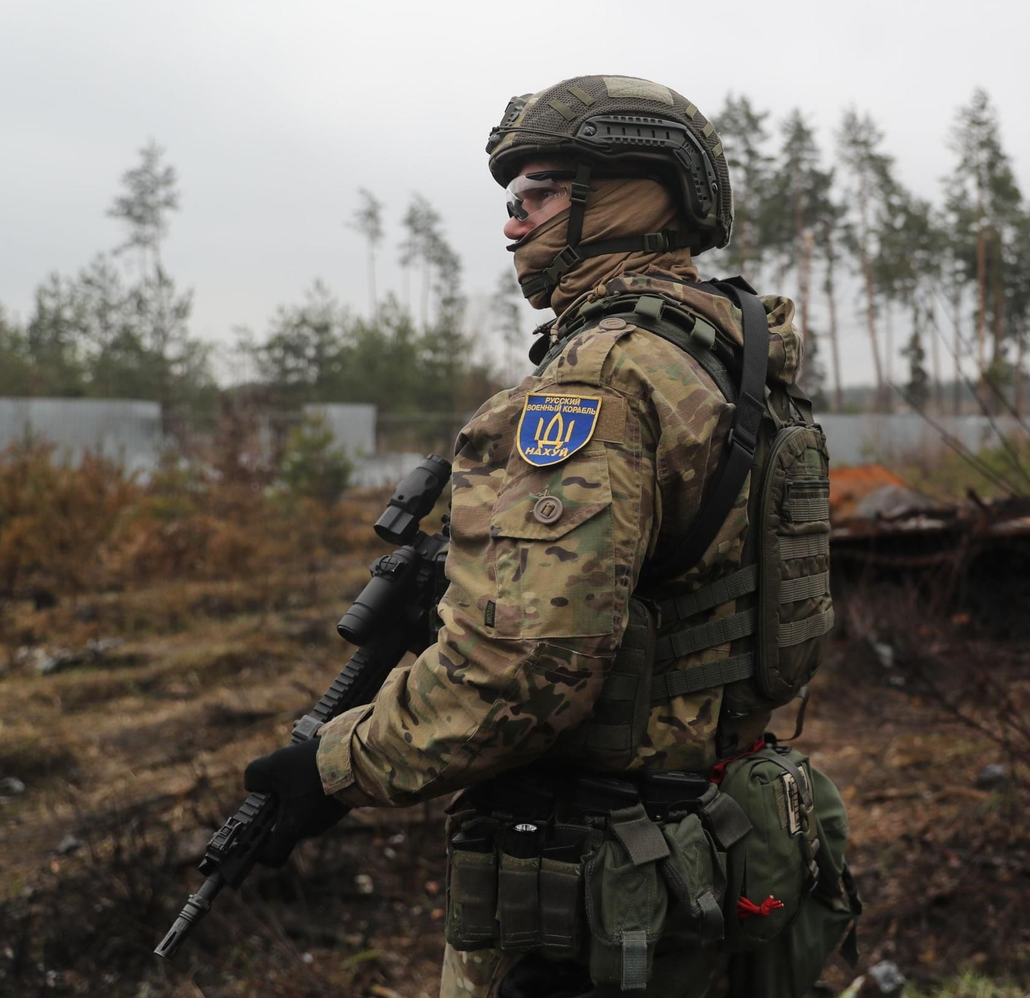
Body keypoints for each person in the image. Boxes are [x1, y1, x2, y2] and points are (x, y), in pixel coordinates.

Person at [243, 75, 854, 998]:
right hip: (713, 830)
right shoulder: (731, 355)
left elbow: (520, 672)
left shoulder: (600, 379)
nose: (512, 223)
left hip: (599, 881)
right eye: (512, 199)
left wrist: (331, 767)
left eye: (537, 194)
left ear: (625, 197)